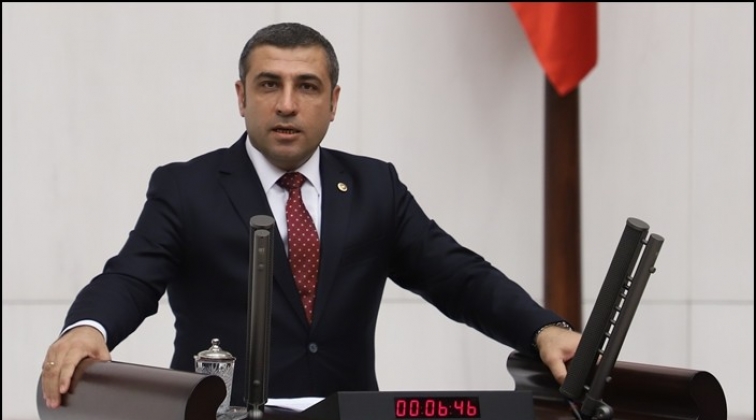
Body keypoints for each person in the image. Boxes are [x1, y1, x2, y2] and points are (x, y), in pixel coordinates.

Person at [41, 22, 581, 409]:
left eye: (307, 86)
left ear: (334, 101)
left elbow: (459, 277)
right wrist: (88, 328)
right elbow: (131, 276)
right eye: (269, 84)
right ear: (241, 97)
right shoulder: (187, 187)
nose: (287, 104)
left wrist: (542, 328)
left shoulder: (375, 187)